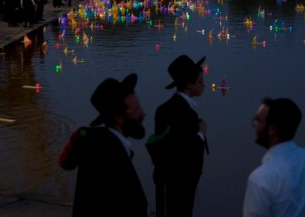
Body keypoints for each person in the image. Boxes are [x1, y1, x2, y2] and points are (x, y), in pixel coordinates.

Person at [59, 73, 148, 217]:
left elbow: (66, 162)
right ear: (119, 117)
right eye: (136, 109)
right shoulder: (108, 151)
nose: (143, 113)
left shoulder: (98, 142)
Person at [152, 54, 208, 217]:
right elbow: (182, 150)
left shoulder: (163, 109)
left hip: (164, 181)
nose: (204, 85)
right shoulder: (184, 112)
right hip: (181, 182)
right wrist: (201, 134)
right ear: (189, 84)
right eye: (199, 81)